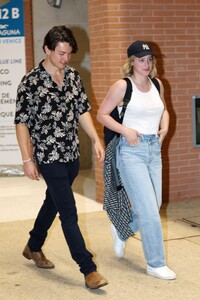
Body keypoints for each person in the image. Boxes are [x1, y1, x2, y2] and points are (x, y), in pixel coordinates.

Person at [14, 25, 108, 290]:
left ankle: (33, 245)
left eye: (69, 54)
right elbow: (21, 123)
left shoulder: (74, 77)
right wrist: (27, 159)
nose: (66, 59)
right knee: (68, 210)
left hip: (71, 154)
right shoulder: (30, 82)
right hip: (47, 155)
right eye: (61, 53)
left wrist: (95, 139)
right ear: (47, 49)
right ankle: (88, 269)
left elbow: (82, 111)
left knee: (53, 202)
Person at [97, 40, 176, 280]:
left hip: (153, 149)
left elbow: (163, 109)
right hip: (131, 151)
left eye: (149, 59)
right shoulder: (122, 86)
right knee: (150, 211)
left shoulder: (157, 84)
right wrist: (125, 130)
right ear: (131, 62)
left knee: (155, 204)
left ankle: (122, 230)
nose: (146, 64)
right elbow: (101, 114)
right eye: (141, 60)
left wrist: (164, 129)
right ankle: (156, 263)